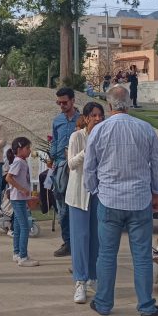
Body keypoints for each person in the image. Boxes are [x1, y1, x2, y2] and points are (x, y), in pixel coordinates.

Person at [84, 85, 158, 316]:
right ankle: (146, 306)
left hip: (109, 198)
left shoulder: (99, 131)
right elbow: (157, 164)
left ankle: (103, 302)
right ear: (128, 103)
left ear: (109, 105)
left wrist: (95, 190)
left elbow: (89, 168)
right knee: (141, 255)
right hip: (139, 199)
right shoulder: (145, 129)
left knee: (107, 254)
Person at [66, 101, 105, 304]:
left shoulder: (105, 136)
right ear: (87, 117)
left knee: (96, 239)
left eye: (101, 116)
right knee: (80, 238)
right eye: (95, 115)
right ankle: (80, 281)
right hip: (78, 195)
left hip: (98, 194)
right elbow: (71, 163)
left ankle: (93, 277)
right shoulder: (77, 137)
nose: (98, 119)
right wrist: (88, 149)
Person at [50, 88, 79, 257]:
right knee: (62, 209)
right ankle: (67, 242)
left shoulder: (82, 119)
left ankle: (78, 243)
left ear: (73, 101)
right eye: (59, 102)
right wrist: (53, 157)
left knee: (76, 207)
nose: (61, 105)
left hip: (77, 167)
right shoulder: (57, 120)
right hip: (61, 167)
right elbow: (54, 140)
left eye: (64, 102)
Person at [5, 138, 38, 267]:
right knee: (25, 227)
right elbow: (8, 177)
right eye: (27, 148)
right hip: (18, 198)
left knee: (19, 226)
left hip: (19, 198)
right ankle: (23, 257)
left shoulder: (21, 162)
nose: (29, 151)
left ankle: (17, 253)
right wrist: (22, 189)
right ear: (19, 149)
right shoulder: (18, 162)